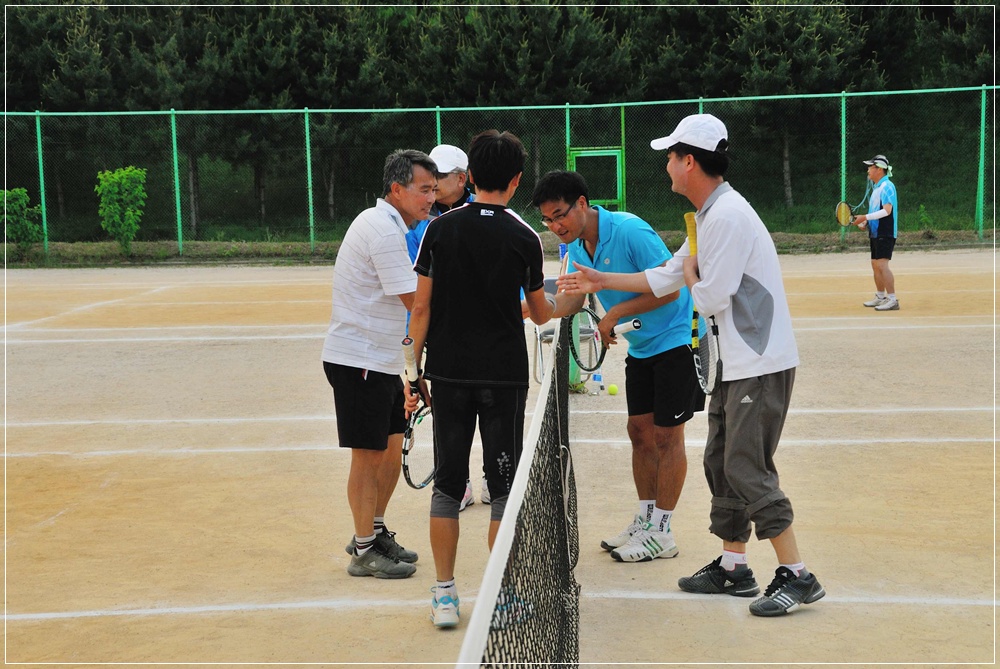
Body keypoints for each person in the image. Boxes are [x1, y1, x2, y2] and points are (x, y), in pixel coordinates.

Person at [557, 114, 825, 617]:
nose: (666, 165)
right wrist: (600, 279)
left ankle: (798, 574)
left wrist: (686, 270)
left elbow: (708, 295)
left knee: (746, 466)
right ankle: (734, 566)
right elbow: (665, 276)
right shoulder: (708, 215)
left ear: (690, 162)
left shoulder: (726, 218)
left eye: (671, 156)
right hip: (733, 363)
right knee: (720, 460)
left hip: (759, 363)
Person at [407, 130, 555, 628]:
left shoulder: (438, 229)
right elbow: (540, 313)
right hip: (503, 379)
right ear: (516, 180)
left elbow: (421, 308)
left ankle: (444, 595)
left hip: (448, 375)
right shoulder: (525, 237)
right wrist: (566, 301)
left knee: (448, 487)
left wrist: (412, 372)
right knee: (504, 488)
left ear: (470, 176)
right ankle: (502, 598)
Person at [529, 169, 704, 563]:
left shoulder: (630, 230)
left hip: (676, 339)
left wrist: (615, 313)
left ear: (582, 204)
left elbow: (670, 289)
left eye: (560, 215)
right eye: (548, 220)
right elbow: (572, 300)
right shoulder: (575, 247)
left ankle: (662, 532)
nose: (555, 226)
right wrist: (534, 308)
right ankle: (646, 520)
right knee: (639, 432)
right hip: (641, 348)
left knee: (667, 437)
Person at [322, 149, 437, 580]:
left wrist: (411, 369)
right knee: (368, 456)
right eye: (423, 190)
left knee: (389, 451)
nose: (431, 198)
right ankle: (364, 550)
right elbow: (416, 303)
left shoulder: (391, 225)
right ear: (396, 189)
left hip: (383, 360)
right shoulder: (382, 229)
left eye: (433, 189)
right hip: (359, 361)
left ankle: (372, 531)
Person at [405, 144, 486, 512]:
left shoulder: (489, 213)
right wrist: (415, 353)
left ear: (462, 178)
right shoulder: (420, 221)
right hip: (442, 338)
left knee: (492, 408)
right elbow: (414, 294)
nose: (434, 182)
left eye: (440, 175)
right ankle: (458, 483)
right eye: (430, 175)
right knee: (449, 415)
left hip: (487, 338)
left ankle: (494, 478)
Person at [853, 154, 899, 311]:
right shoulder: (877, 188)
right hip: (875, 232)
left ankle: (892, 300)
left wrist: (865, 217)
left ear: (879, 169)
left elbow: (887, 211)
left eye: (870, 167)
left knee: (882, 265)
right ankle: (880, 297)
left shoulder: (887, 186)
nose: (868, 170)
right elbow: (875, 212)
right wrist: (866, 222)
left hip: (885, 231)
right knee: (875, 264)